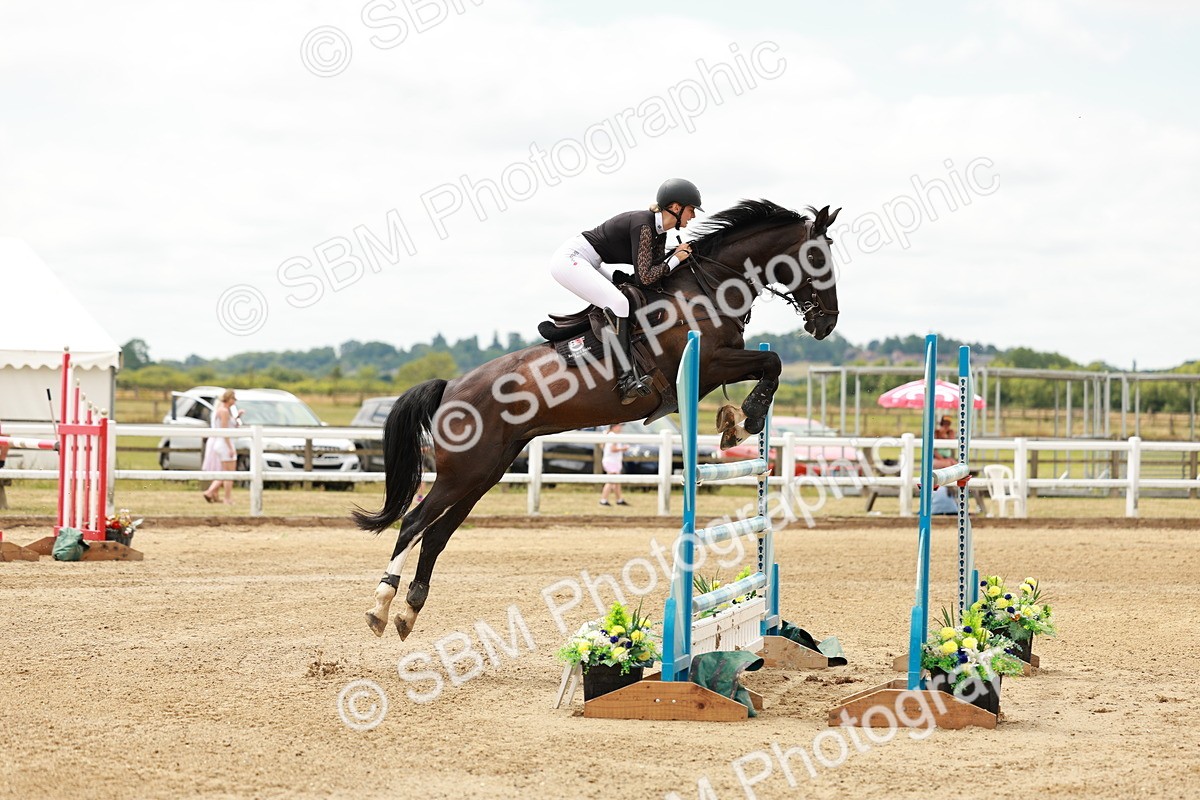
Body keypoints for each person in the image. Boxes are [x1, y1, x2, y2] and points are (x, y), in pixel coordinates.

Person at [549, 178, 703, 403]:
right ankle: (625, 379)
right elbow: (647, 275)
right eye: (691, 210)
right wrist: (676, 259)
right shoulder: (644, 225)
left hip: (592, 261)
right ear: (676, 207)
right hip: (571, 260)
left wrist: (677, 257)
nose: (694, 216)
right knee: (620, 303)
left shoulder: (660, 231)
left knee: (623, 297)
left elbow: (649, 277)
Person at [202, 389, 243, 504]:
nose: (234, 401)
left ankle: (212, 492)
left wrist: (237, 417)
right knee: (229, 473)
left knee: (225, 471)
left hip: (220, 443)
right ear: (228, 399)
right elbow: (225, 430)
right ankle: (225, 497)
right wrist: (230, 448)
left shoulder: (221, 410)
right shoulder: (224, 411)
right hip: (224, 443)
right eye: (233, 398)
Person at [599, 423, 630, 507]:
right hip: (611, 461)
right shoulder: (613, 436)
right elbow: (613, 449)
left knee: (616, 481)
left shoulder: (610, 435)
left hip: (613, 461)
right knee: (611, 481)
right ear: (614, 427)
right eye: (619, 426)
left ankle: (619, 499)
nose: (620, 428)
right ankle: (603, 500)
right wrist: (624, 448)